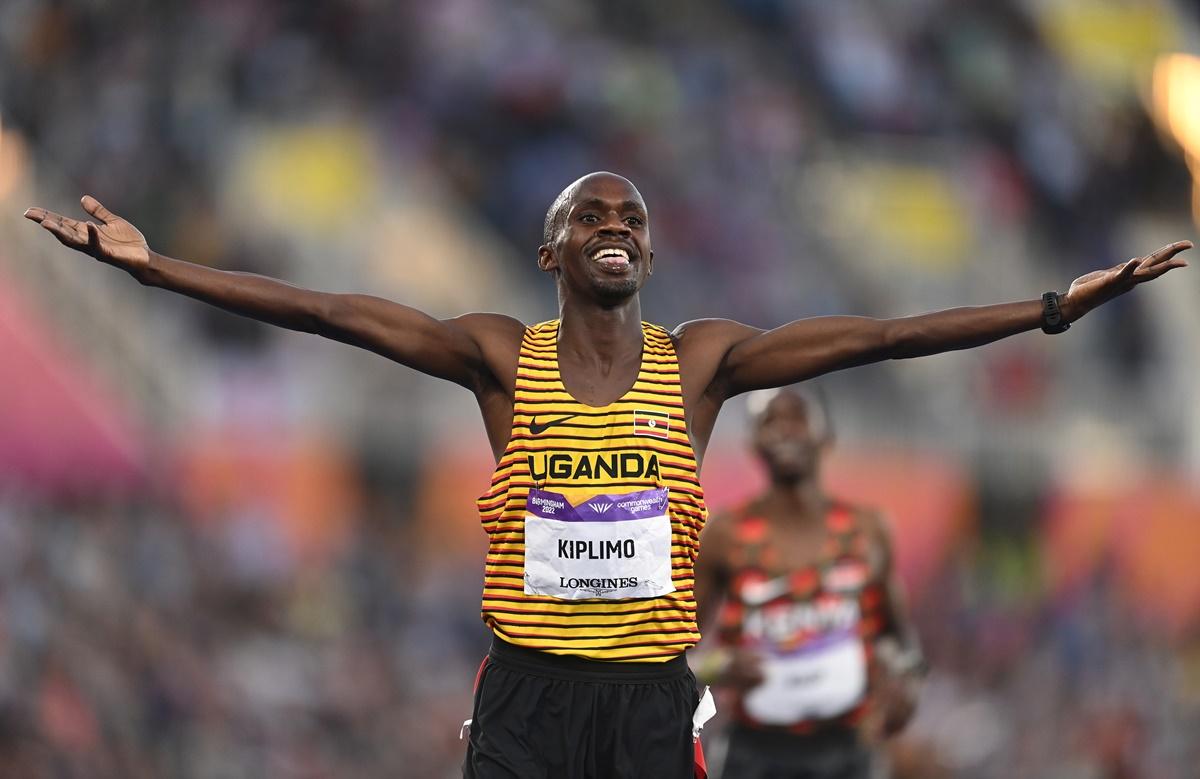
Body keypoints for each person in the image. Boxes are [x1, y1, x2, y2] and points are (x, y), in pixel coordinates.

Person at [23, 172, 1190, 779]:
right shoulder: (498, 355)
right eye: (591, 213)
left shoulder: (702, 361)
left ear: (650, 250)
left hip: (645, 695)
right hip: (527, 689)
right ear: (554, 251)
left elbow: (881, 335)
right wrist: (152, 270)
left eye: (632, 213)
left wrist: (1047, 309)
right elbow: (331, 311)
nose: (616, 222)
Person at [694, 387, 922, 779]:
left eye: (797, 417)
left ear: (826, 433)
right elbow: (671, 656)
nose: (783, 430)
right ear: (752, 441)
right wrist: (718, 666)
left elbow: (900, 640)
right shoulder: (726, 535)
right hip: (752, 753)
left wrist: (906, 680)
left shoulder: (866, 531)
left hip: (848, 751)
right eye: (769, 420)